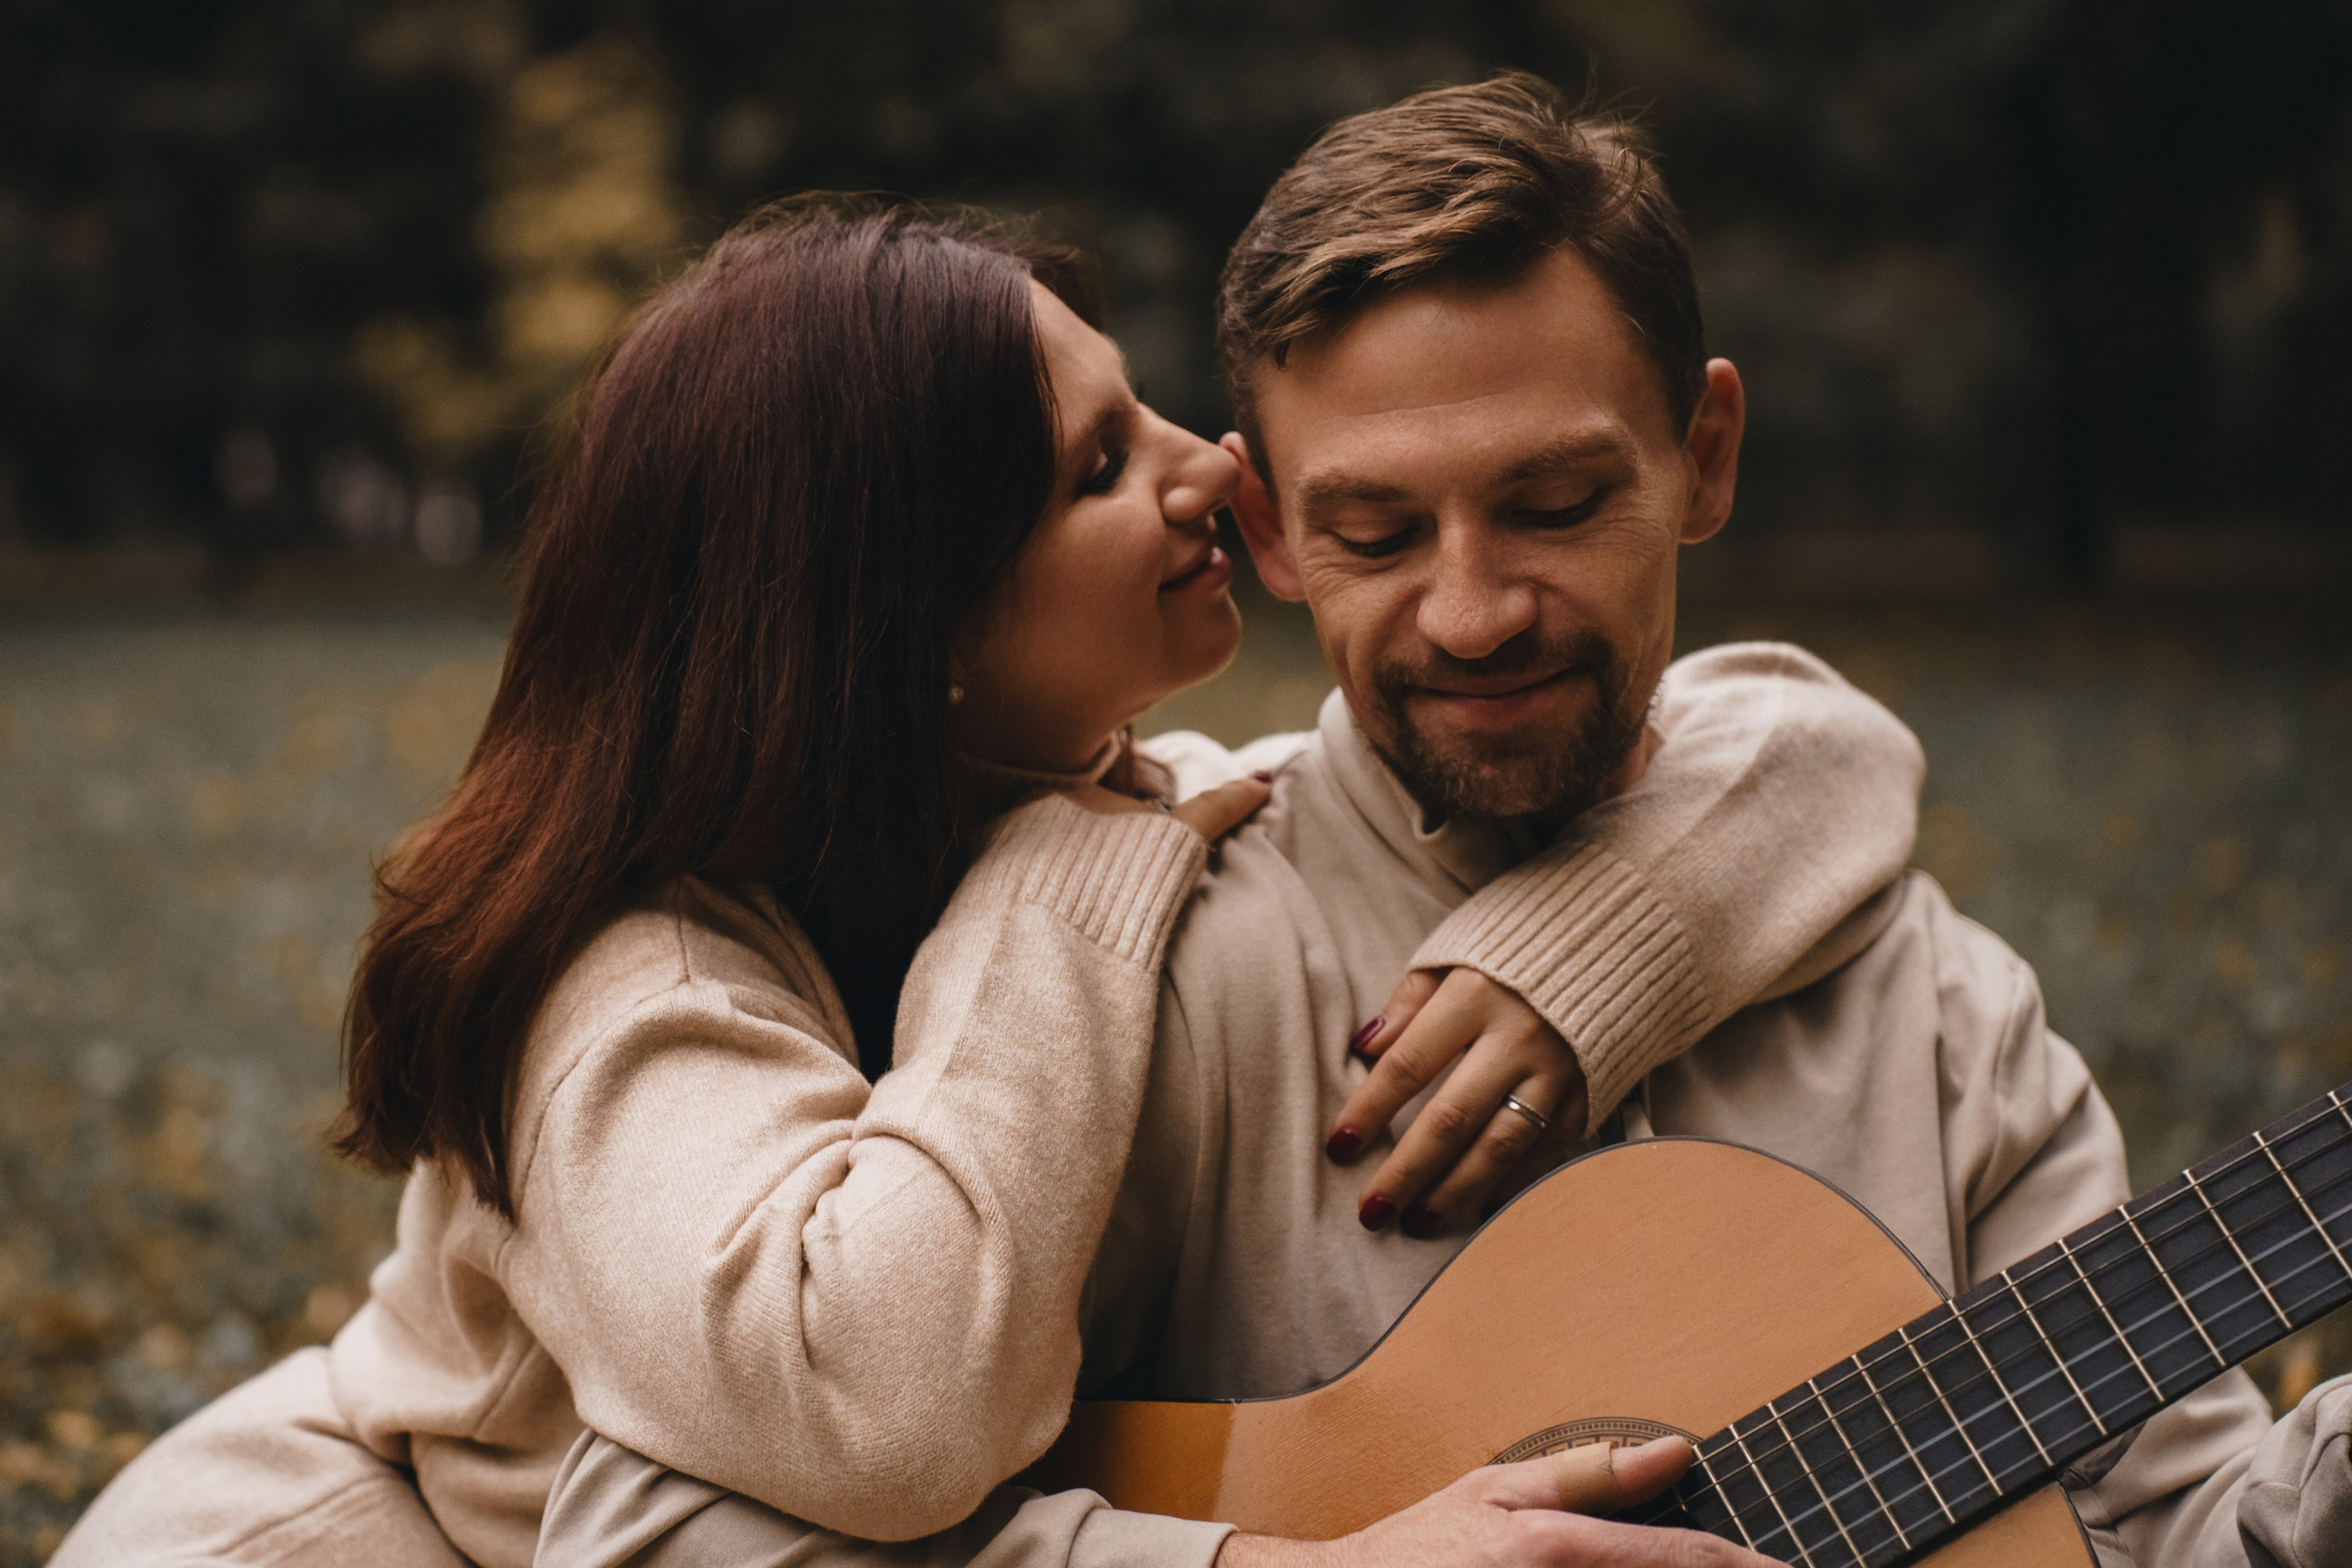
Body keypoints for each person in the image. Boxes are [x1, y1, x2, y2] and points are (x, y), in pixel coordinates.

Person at [537, 74, 2352, 1568]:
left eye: (1553, 504)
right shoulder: (1146, 982)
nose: (1472, 615)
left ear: (1705, 457)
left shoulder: (1937, 1011)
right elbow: (660, 1524)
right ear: (1260, 526)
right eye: (1377, 533)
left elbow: (2171, 1520)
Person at [54, 189, 1916, 1568]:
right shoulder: (628, 994)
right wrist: (1056, 876)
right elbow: (888, 1417)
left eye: (1144, 407)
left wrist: (1581, 947)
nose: (1213, 469)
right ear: (912, 623)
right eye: (1100, 463)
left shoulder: (1093, 810)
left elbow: (1810, 752)